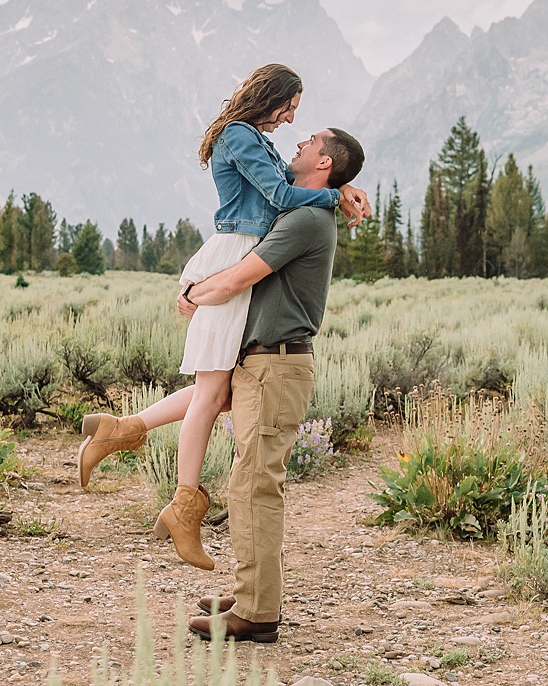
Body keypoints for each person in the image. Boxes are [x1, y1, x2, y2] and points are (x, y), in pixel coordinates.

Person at [75, 65, 369, 571]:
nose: (292, 120)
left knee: (224, 388)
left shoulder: (254, 137)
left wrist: (339, 189)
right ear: (270, 97)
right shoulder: (239, 134)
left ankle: (121, 429)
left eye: (299, 115)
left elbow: (290, 186)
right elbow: (281, 197)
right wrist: (332, 197)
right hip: (234, 254)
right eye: (289, 107)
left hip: (241, 254)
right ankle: (184, 503)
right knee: (214, 392)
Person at [182, 126, 364, 644]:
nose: (299, 143)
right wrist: (340, 190)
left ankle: (257, 614)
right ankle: (249, 594)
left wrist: (195, 293)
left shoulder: (306, 218)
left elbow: (241, 275)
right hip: (263, 364)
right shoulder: (305, 207)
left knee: (255, 487)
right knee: (250, 483)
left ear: (324, 163)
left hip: (276, 366)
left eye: (310, 142)